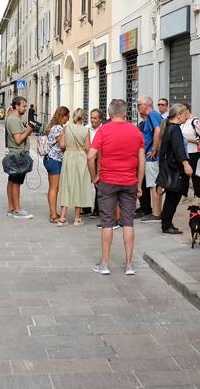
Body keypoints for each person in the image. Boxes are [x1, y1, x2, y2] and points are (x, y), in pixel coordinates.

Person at [88, 99, 145, 276]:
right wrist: (139, 184)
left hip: (107, 180)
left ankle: (104, 264)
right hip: (129, 181)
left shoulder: (103, 130)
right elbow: (142, 161)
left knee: (107, 222)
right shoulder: (135, 131)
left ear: (109, 114)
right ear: (125, 113)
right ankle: (129, 265)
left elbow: (91, 157)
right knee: (128, 222)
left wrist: (94, 177)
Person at [157, 104, 192, 235]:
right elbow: (179, 149)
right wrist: (186, 164)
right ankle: (166, 225)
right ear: (179, 115)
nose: (187, 116)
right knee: (173, 198)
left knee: (171, 198)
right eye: (185, 114)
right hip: (175, 169)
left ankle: (166, 223)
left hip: (169, 168)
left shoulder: (168, 127)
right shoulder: (175, 129)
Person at [58, 108, 92, 227]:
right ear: (83, 118)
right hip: (81, 158)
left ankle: (62, 217)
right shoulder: (85, 130)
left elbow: (62, 145)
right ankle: (77, 218)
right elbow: (88, 148)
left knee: (66, 185)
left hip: (68, 157)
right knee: (80, 185)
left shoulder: (66, 128)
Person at [5, 96, 35, 219]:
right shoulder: (13, 120)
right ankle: (17, 210)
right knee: (16, 182)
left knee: (12, 180)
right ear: (16, 106)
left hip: (16, 154)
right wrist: (28, 130)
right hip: (18, 155)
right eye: (23, 106)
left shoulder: (15, 119)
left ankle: (11, 208)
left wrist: (27, 129)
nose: (25, 108)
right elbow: (18, 140)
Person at [137, 96, 163, 222]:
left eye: (139, 104)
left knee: (154, 185)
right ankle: (156, 212)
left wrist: (154, 149)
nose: (137, 107)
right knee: (153, 185)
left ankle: (156, 213)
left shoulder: (153, 115)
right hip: (150, 156)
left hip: (151, 157)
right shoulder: (153, 116)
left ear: (146, 105)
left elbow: (158, 131)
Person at [44, 106, 69, 222]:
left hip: (49, 159)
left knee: (52, 188)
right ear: (62, 116)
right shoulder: (58, 128)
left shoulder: (52, 127)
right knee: (54, 188)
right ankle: (53, 215)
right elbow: (62, 145)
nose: (67, 120)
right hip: (55, 160)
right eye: (67, 117)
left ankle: (53, 212)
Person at [180, 104, 200, 201]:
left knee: (194, 175)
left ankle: (197, 196)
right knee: (184, 174)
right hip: (184, 152)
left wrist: (184, 138)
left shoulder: (195, 121)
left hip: (193, 152)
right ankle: (183, 194)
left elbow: (199, 138)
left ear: (187, 110)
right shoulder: (182, 122)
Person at [88, 109, 104, 218]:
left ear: (100, 119)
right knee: (85, 183)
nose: (92, 120)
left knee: (98, 184)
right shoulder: (86, 129)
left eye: (95, 118)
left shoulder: (103, 130)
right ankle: (85, 207)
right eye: (91, 117)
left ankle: (97, 209)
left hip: (99, 160)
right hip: (88, 159)